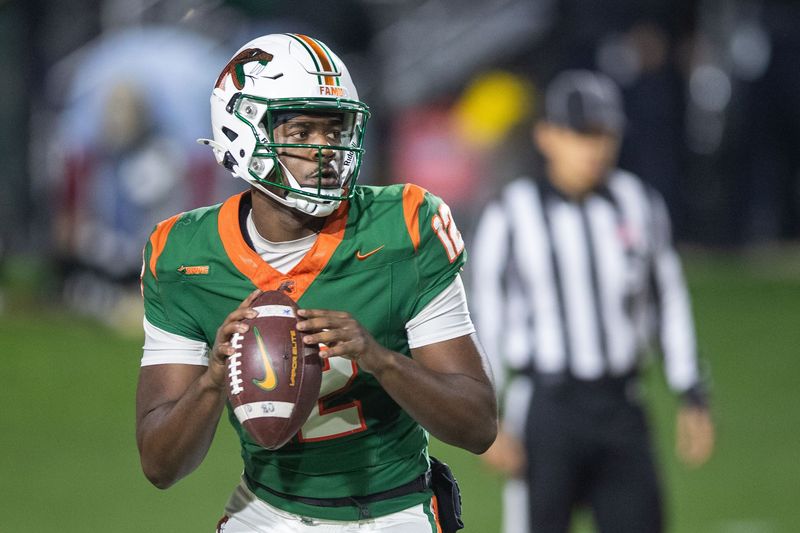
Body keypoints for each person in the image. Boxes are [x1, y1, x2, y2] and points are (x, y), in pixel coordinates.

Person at [135, 33, 497, 532]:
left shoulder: (402, 228)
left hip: (392, 513)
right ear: (242, 133)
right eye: (302, 132)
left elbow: (478, 424)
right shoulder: (183, 256)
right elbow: (159, 465)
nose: (326, 149)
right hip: (265, 511)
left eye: (335, 129)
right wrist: (213, 379)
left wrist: (380, 359)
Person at [471, 70, 714, 533]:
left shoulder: (639, 203)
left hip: (622, 405)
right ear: (547, 136)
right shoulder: (512, 213)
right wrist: (489, 413)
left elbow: (668, 300)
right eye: (582, 134)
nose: (595, 148)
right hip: (547, 407)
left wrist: (692, 392)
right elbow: (487, 316)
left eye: (605, 134)